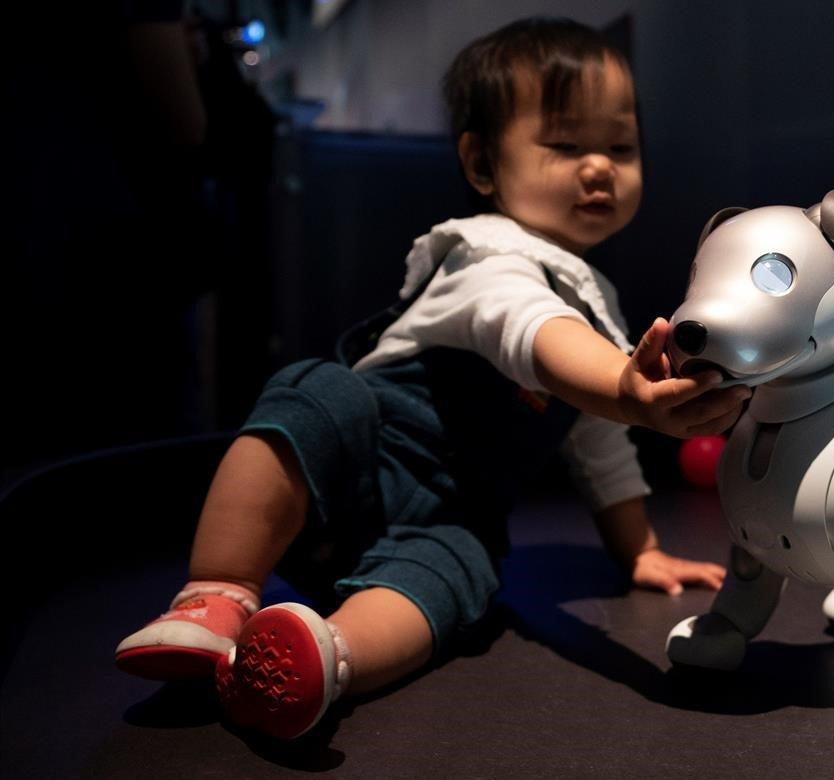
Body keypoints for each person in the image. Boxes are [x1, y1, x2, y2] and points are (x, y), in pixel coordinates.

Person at [114, 17, 748, 740]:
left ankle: (326, 656)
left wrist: (638, 550)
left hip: (445, 514)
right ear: (481, 164)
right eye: (567, 145)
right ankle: (217, 595)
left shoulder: (596, 309)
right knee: (316, 394)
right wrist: (626, 388)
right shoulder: (486, 254)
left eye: (621, 146)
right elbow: (527, 327)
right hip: (354, 467)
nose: (599, 166)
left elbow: (599, 442)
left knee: (462, 576)